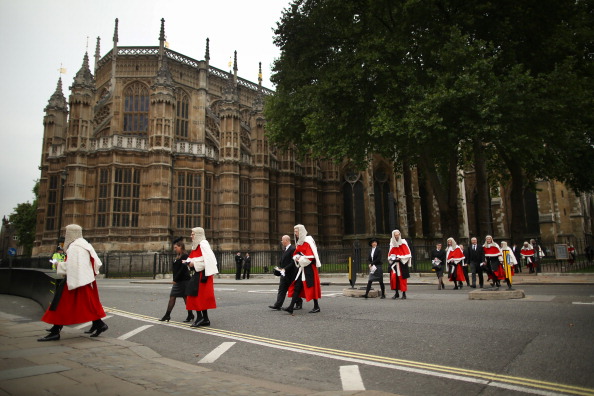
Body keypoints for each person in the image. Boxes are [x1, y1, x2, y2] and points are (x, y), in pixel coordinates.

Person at [38, 224, 108, 341]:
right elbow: (94, 262)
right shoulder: (85, 245)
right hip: (82, 279)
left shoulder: (75, 247)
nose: (66, 236)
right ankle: (99, 324)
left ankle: (55, 332)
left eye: (67, 233)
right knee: (85, 305)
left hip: (76, 280)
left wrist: (58, 265)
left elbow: (72, 266)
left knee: (61, 304)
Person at [283, 224, 322, 314]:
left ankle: (316, 306)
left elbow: (310, 257)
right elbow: (296, 253)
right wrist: (297, 257)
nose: (295, 233)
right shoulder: (300, 241)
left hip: (309, 268)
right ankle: (291, 307)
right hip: (303, 267)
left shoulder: (307, 241)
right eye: (295, 231)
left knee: (311, 286)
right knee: (297, 286)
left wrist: (299, 259)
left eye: (296, 231)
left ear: (301, 231)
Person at [185, 227, 218, 327]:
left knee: (198, 297)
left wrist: (193, 264)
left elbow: (209, 261)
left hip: (203, 275)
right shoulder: (196, 246)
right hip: (198, 274)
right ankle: (205, 319)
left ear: (198, 235)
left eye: (192, 234)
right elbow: (193, 258)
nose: (191, 236)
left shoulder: (203, 244)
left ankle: (200, 318)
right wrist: (188, 262)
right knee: (196, 296)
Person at [159, 237, 194, 323]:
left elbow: (182, 269)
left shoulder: (185, 256)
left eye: (176, 247)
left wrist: (175, 279)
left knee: (182, 297)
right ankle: (168, 315)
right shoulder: (178, 256)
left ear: (181, 247)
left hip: (184, 280)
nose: (174, 249)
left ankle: (188, 314)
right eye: (174, 247)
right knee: (176, 297)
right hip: (179, 280)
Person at [269, 235, 301, 310]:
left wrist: (285, 269)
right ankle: (278, 305)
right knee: (281, 289)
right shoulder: (285, 249)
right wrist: (279, 268)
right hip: (284, 273)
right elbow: (284, 261)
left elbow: (293, 262)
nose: (281, 242)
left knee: (293, 289)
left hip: (291, 274)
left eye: (282, 240)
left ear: (286, 240)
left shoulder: (292, 249)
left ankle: (299, 303)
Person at [387, 229, 412, 299]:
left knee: (402, 279)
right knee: (394, 279)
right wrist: (392, 258)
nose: (397, 236)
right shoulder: (392, 243)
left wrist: (400, 258)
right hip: (394, 265)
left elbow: (408, 254)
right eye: (395, 235)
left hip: (402, 265)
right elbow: (389, 254)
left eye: (398, 235)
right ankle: (396, 293)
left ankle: (404, 294)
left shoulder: (403, 242)